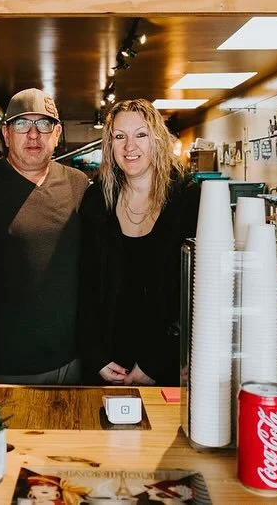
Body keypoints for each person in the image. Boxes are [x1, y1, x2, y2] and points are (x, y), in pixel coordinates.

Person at [0, 88, 90, 384]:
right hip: (3, 365)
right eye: (21, 124)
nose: (33, 135)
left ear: (57, 133)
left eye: (43, 125)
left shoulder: (78, 185)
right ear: (5, 133)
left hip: (70, 361)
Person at [77, 99, 199, 386]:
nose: (129, 147)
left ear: (157, 140)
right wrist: (96, 355)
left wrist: (157, 362)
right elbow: (84, 285)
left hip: (167, 363)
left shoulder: (189, 201)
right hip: (106, 364)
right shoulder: (97, 202)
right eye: (120, 136)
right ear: (110, 145)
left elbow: (200, 291)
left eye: (140, 135)